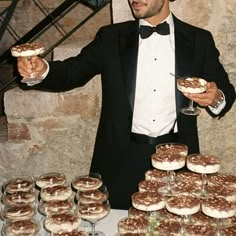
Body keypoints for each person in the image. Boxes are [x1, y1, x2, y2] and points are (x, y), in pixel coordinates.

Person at [16, 0, 235, 210]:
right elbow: (72, 72)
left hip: (178, 162)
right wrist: (41, 69)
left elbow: (226, 93)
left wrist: (215, 98)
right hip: (120, 160)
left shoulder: (199, 39)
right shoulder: (111, 37)